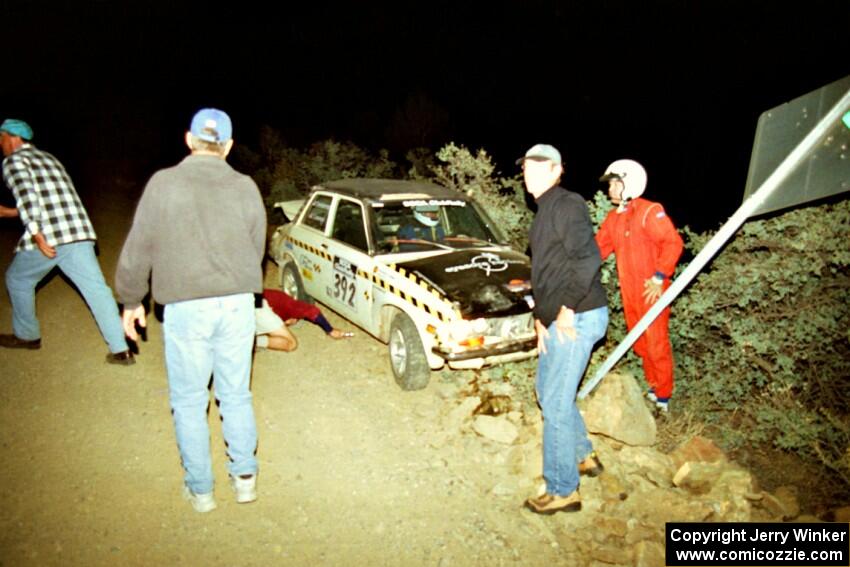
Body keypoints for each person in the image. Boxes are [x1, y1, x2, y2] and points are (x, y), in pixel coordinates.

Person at [115, 108, 266, 513]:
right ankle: (245, 479)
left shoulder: (164, 183)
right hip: (236, 305)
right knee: (236, 394)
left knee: (188, 399)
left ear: (188, 139)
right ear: (229, 146)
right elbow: (257, 246)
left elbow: (139, 245)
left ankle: (201, 491)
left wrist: (131, 300)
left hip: (186, 308)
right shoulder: (246, 186)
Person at [519, 143, 609, 515]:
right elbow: (547, 274)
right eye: (526, 166)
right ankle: (583, 455)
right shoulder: (543, 212)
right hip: (558, 316)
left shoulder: (567, 204)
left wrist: (568, 308)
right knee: (547, 390)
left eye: (540, 166)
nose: (530, 172)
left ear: (558, 170)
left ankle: (562, 489)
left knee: (555, 401)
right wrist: (541, 318)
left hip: (579, 315)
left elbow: (588, 259)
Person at [0, 119, 133, 364]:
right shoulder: (49, 159)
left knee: (17, 278)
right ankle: (121, 349)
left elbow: (27, 196)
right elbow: (46, 199)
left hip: (50, 235)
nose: (1, 145)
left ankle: (27, 336)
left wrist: (36, 234)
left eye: (1, 139)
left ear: (11, 137)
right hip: (78, 231)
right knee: (97, 290)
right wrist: (8, 213)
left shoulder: (13, 161)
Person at [595, 159, 684, 413]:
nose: (610, 189)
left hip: (650, 291)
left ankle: (664, 397)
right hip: (630, 293)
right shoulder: (614, 218)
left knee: (656, 344)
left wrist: (659, 277)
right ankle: (653, 388)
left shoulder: (649, 211)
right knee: (640, 344)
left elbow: (673, 243)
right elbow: (597, 249)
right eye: (610, 184)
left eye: (614, 183)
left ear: (629, 184)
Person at [255, 288, 352, 351]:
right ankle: (253, 342)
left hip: (245, 302)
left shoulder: (276, 303)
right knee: (291, 344)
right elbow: (313, 311)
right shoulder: (287, 303)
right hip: (258, 305)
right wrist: (330, 330)